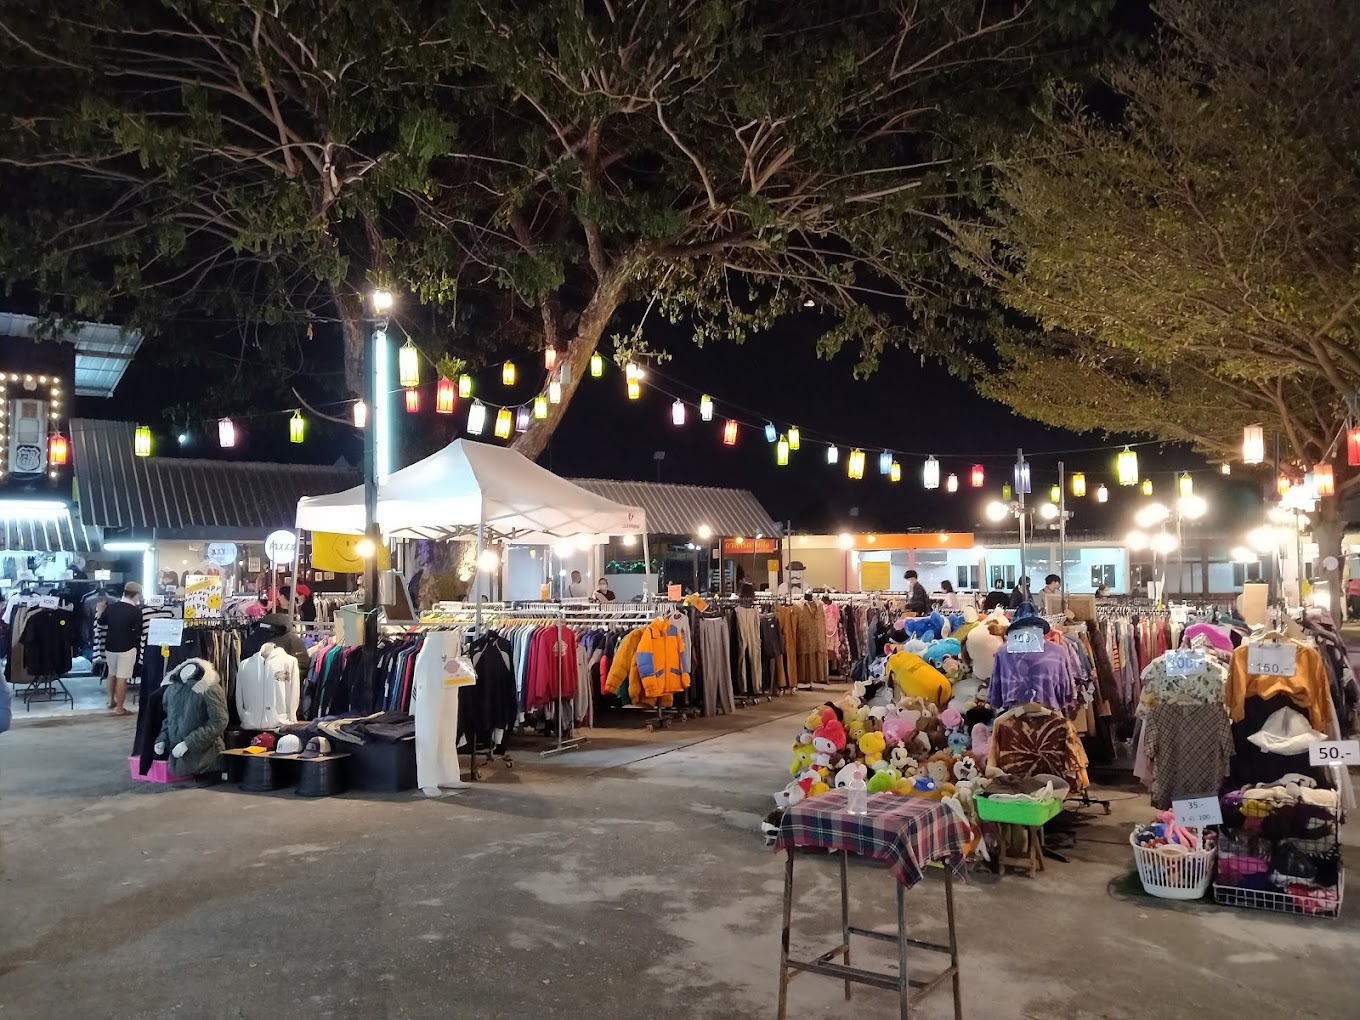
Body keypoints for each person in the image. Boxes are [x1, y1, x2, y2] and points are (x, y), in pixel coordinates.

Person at [100, 581, 144, 716]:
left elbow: (101, 622)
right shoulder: (135, 611)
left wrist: (101, 610)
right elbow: (139, 631)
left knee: (111, 674)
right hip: (127, 647)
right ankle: (120, 708)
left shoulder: (112, 607)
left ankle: (110, 701)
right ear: (135, 595)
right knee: (122, 678)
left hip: (110, 646)